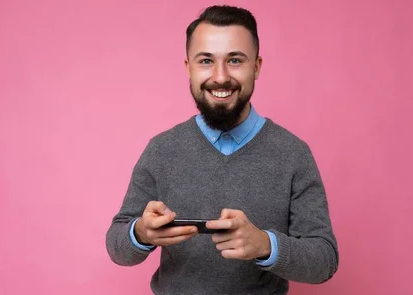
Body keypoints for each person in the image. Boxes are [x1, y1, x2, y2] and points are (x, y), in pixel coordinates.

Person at [105, 5, 339, 295]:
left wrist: (265, 245)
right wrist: (141, 232)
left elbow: (325, 260)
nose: (220, 77)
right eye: (205, 61)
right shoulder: (161, 150)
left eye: (235, 60)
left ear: (256, 66)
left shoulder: (293, 154)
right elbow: (117, 245)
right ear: (188, 68)